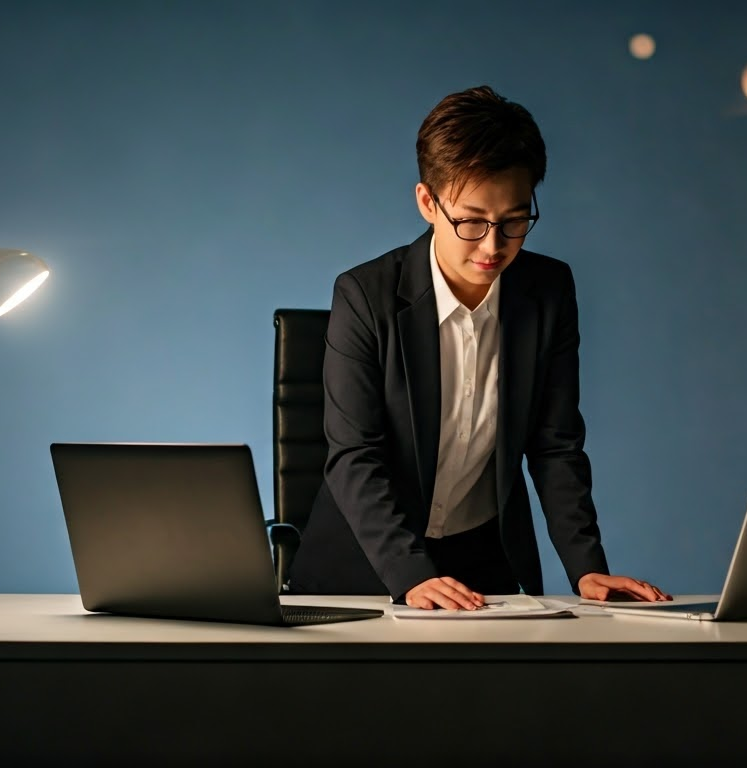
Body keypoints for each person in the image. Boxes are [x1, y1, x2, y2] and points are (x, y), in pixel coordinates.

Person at [287, 85, 671, 610]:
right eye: (471, 221)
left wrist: (587, 569)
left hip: (482, 568)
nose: (493, 246)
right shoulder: (364, 296)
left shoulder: (547, 292)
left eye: (514, 221)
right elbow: (355, 456)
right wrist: (411, 575)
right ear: (428, 202)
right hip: (363, 573)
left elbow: (555, 445)